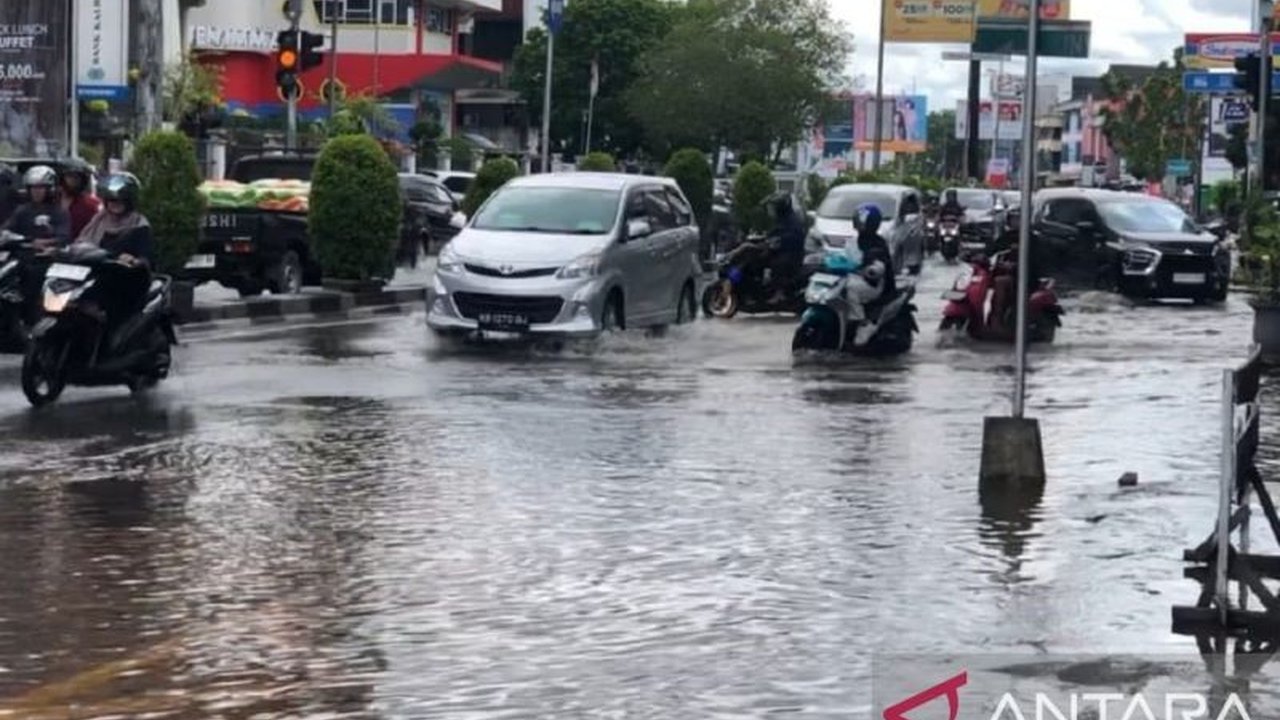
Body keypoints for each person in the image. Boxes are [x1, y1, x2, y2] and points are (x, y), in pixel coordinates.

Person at [75, 173, 156, 336]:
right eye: (112, 201)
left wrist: (133, 260)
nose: (115, 205)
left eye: (120, 201)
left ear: (129, 202)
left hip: (127, 278)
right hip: (96, 273)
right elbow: (82, 243)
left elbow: (146, 257)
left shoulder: (139, 225)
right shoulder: (98, 221)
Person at [846, 204, 896, 342]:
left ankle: (862, 322)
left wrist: (873, 268)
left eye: (860, 221)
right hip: (858, 278)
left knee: (851, 289)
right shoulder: (855, 240)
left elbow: (880, 264)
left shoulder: (878, 243)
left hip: (875, 284)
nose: (857, 223)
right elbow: (846, 256)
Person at [4, 165, 70, 246]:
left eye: (40, 188)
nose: (36, 192)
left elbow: (64, 237)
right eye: (33, 188)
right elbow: (7, 230)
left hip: (49, 255)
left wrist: (45, 242)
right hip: (22, 253)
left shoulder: (59, 212)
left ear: (50, 189)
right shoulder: (22, 211)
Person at [765, 192, 807, 303]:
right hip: (782, 251)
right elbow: (775, 231)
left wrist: (779, 240)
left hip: (792, 254)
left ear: (781, 207)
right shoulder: (781, 219)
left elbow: (795, 236)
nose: (771, 210)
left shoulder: (792, 220)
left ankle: (780, 292)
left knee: (777, 264)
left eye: (774, 207)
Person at [59, 158, 101, 239]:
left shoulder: (92, 205)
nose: (73, 181)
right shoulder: (51, 201)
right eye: (70, 176)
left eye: (77, 177)